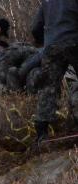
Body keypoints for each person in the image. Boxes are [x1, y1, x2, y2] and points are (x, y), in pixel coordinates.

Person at [31, 1, 78, 143]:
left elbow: (35, 28)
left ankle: (41, 133)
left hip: (51, 46)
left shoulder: (47, 2)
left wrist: (44, 41)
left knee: (48, 88)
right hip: (73, 42)